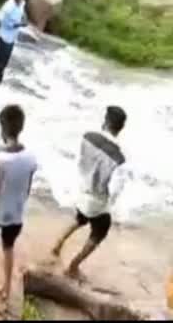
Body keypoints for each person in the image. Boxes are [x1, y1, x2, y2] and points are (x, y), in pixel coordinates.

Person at [51, 107, 128, 280]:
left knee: (79, 218)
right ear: (121, 128)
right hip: (97, 201)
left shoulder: (87, 137)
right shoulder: (119, 159)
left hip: (81, 191)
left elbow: (78, 161)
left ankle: (56, 246)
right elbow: (115, 189)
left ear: (105, 121)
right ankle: (73, 267)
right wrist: (108, 203)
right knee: (100, 230)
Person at [0, 105, 38, 303]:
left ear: (2, 129)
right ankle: (6, 288)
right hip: (16, 213)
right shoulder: (30, 157)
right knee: (8, 247)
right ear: (21, 127)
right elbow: (28, 187)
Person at [0, 0, 27, 85]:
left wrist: (24, 18)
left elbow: (23, 11)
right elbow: (0, 18)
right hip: (3, 36)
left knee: (4, 63)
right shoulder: (8, 6)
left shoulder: (22, 3)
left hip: (12, 38)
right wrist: (18, 24)